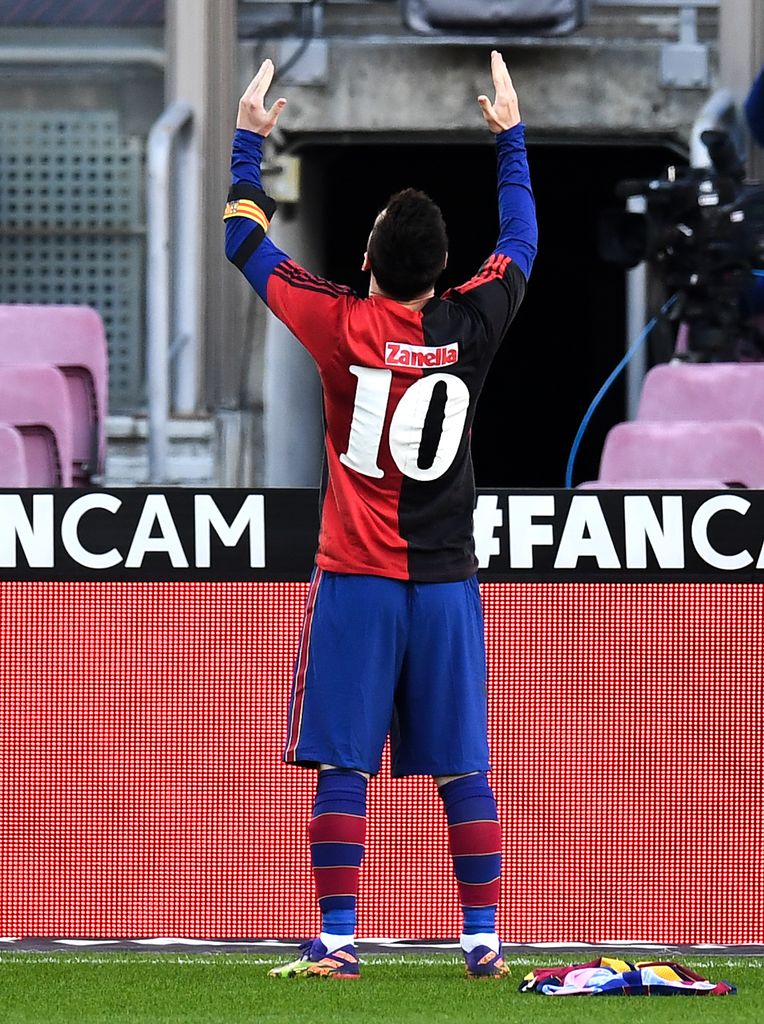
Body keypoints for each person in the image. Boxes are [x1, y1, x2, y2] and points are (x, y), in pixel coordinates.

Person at [224, 50, 537, 979]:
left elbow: (245, 242)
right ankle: (483, 944)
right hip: (444, 584)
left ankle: (337, 939)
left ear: (365, 263)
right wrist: (509, 139)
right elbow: (520, 239)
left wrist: (250, 139)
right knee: (462, 766)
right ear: (446, 275)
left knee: (342, 765)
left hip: (357, 579)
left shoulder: (337, 322)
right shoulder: (474, 322)